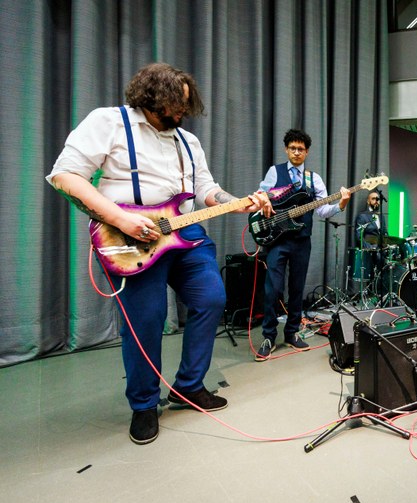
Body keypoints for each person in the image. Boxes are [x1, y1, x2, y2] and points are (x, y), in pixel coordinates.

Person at [46, 62, 273, 445]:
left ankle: (188, 387)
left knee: (212, 298)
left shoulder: (188, 141)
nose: (182, 112)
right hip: (129, 236)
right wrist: (121, 218)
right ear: (151, 97)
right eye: (174, 104)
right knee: (145, 321)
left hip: (185, 232)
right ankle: (144, 405)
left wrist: (238, 202)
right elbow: (64, 175)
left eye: (185, 104)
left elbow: (205, 189)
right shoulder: (108, 122)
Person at [254, 129, 350, 361]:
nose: (296, 152)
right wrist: (264, 199)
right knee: (272, 289)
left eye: (301, 149)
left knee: (297, 289)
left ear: (307, 152)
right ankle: (268, 336)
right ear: (286, 150)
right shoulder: (274, 172)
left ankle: (291, 333)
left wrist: (341, 204)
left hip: (301, 241)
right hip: (277, 240)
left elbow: (322, 210)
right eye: (293, 148)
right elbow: (260, 196)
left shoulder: (313, 179)